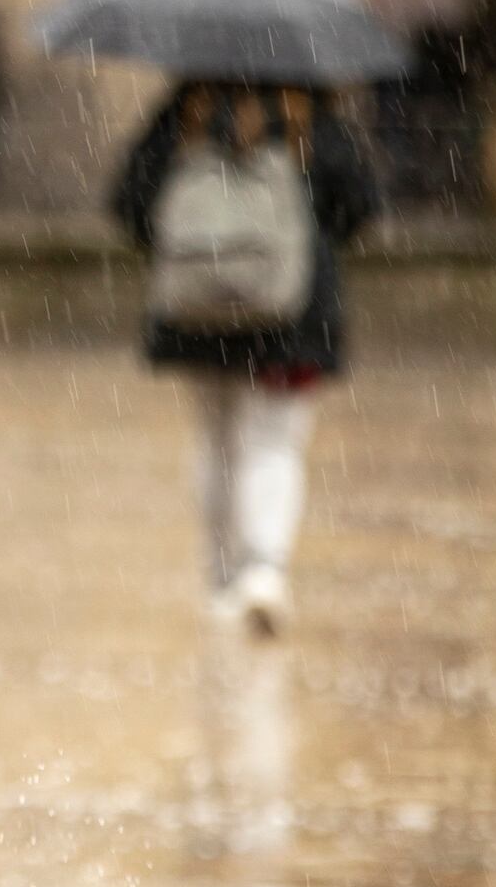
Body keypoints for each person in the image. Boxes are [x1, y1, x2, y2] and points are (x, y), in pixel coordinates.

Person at [112, 81, 379, 635]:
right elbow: (360, 205)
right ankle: (265, 570)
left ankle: (222, 577)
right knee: (275, 440)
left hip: (200, 315)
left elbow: (131, 201)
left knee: (216, 440)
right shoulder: (311, 115)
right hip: (289, 318)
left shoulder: (187, 110)